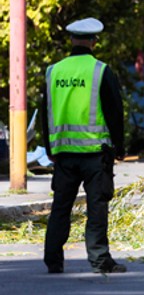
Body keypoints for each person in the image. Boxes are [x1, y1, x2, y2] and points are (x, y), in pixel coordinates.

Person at [40, 17, 126, 274]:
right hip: (95, 154)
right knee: (96, 207)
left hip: (64, 154)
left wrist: (50, 149)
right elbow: (114, 112)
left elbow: (45, 113)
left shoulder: (53, 72)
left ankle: (53, 261)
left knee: (60, 207)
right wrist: (120, 147)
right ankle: (100, 260)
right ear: (93, 41)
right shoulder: (100, 70)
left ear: (71, 40)